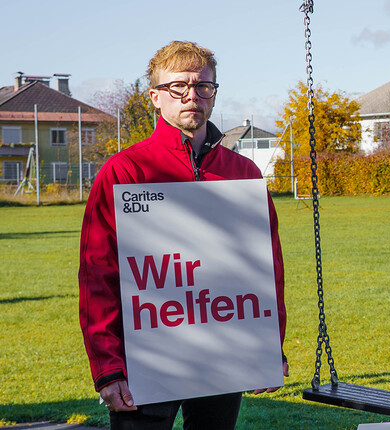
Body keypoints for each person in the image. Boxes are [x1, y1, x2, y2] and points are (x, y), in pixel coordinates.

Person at [78, 40, 287, 428]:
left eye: (203, 86)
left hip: (224, 348)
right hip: (147, 356)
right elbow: (98, 275)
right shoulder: (125, 172)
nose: (192, 95)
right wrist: (108, 367)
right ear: (155, 97)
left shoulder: (243, 173)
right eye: (178, 86)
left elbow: (266, 267)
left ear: (213, 92)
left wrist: (267, 344)